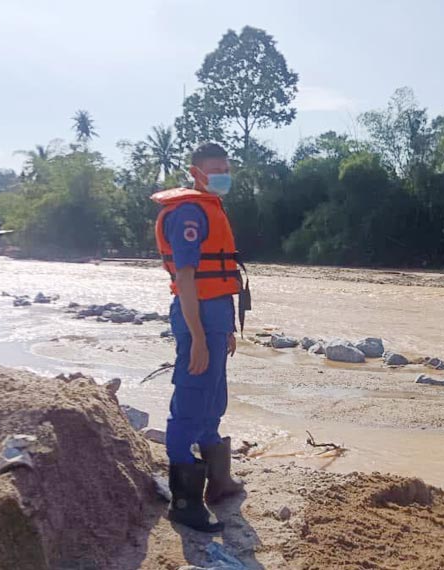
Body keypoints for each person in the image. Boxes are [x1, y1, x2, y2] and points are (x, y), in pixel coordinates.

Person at [151, 142, 247, 533]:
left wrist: (223, 334)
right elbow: (187, 280)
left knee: (213, 400)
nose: (223, 173)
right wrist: (199, 339)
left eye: (227, 167)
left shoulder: (209, 208)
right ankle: (185, 502)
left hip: (215, 317)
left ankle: (218, 485)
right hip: (197, 319)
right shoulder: (189, 213)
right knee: (189, 403)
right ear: (197, 172)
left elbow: (215, 282)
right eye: (216, 168)